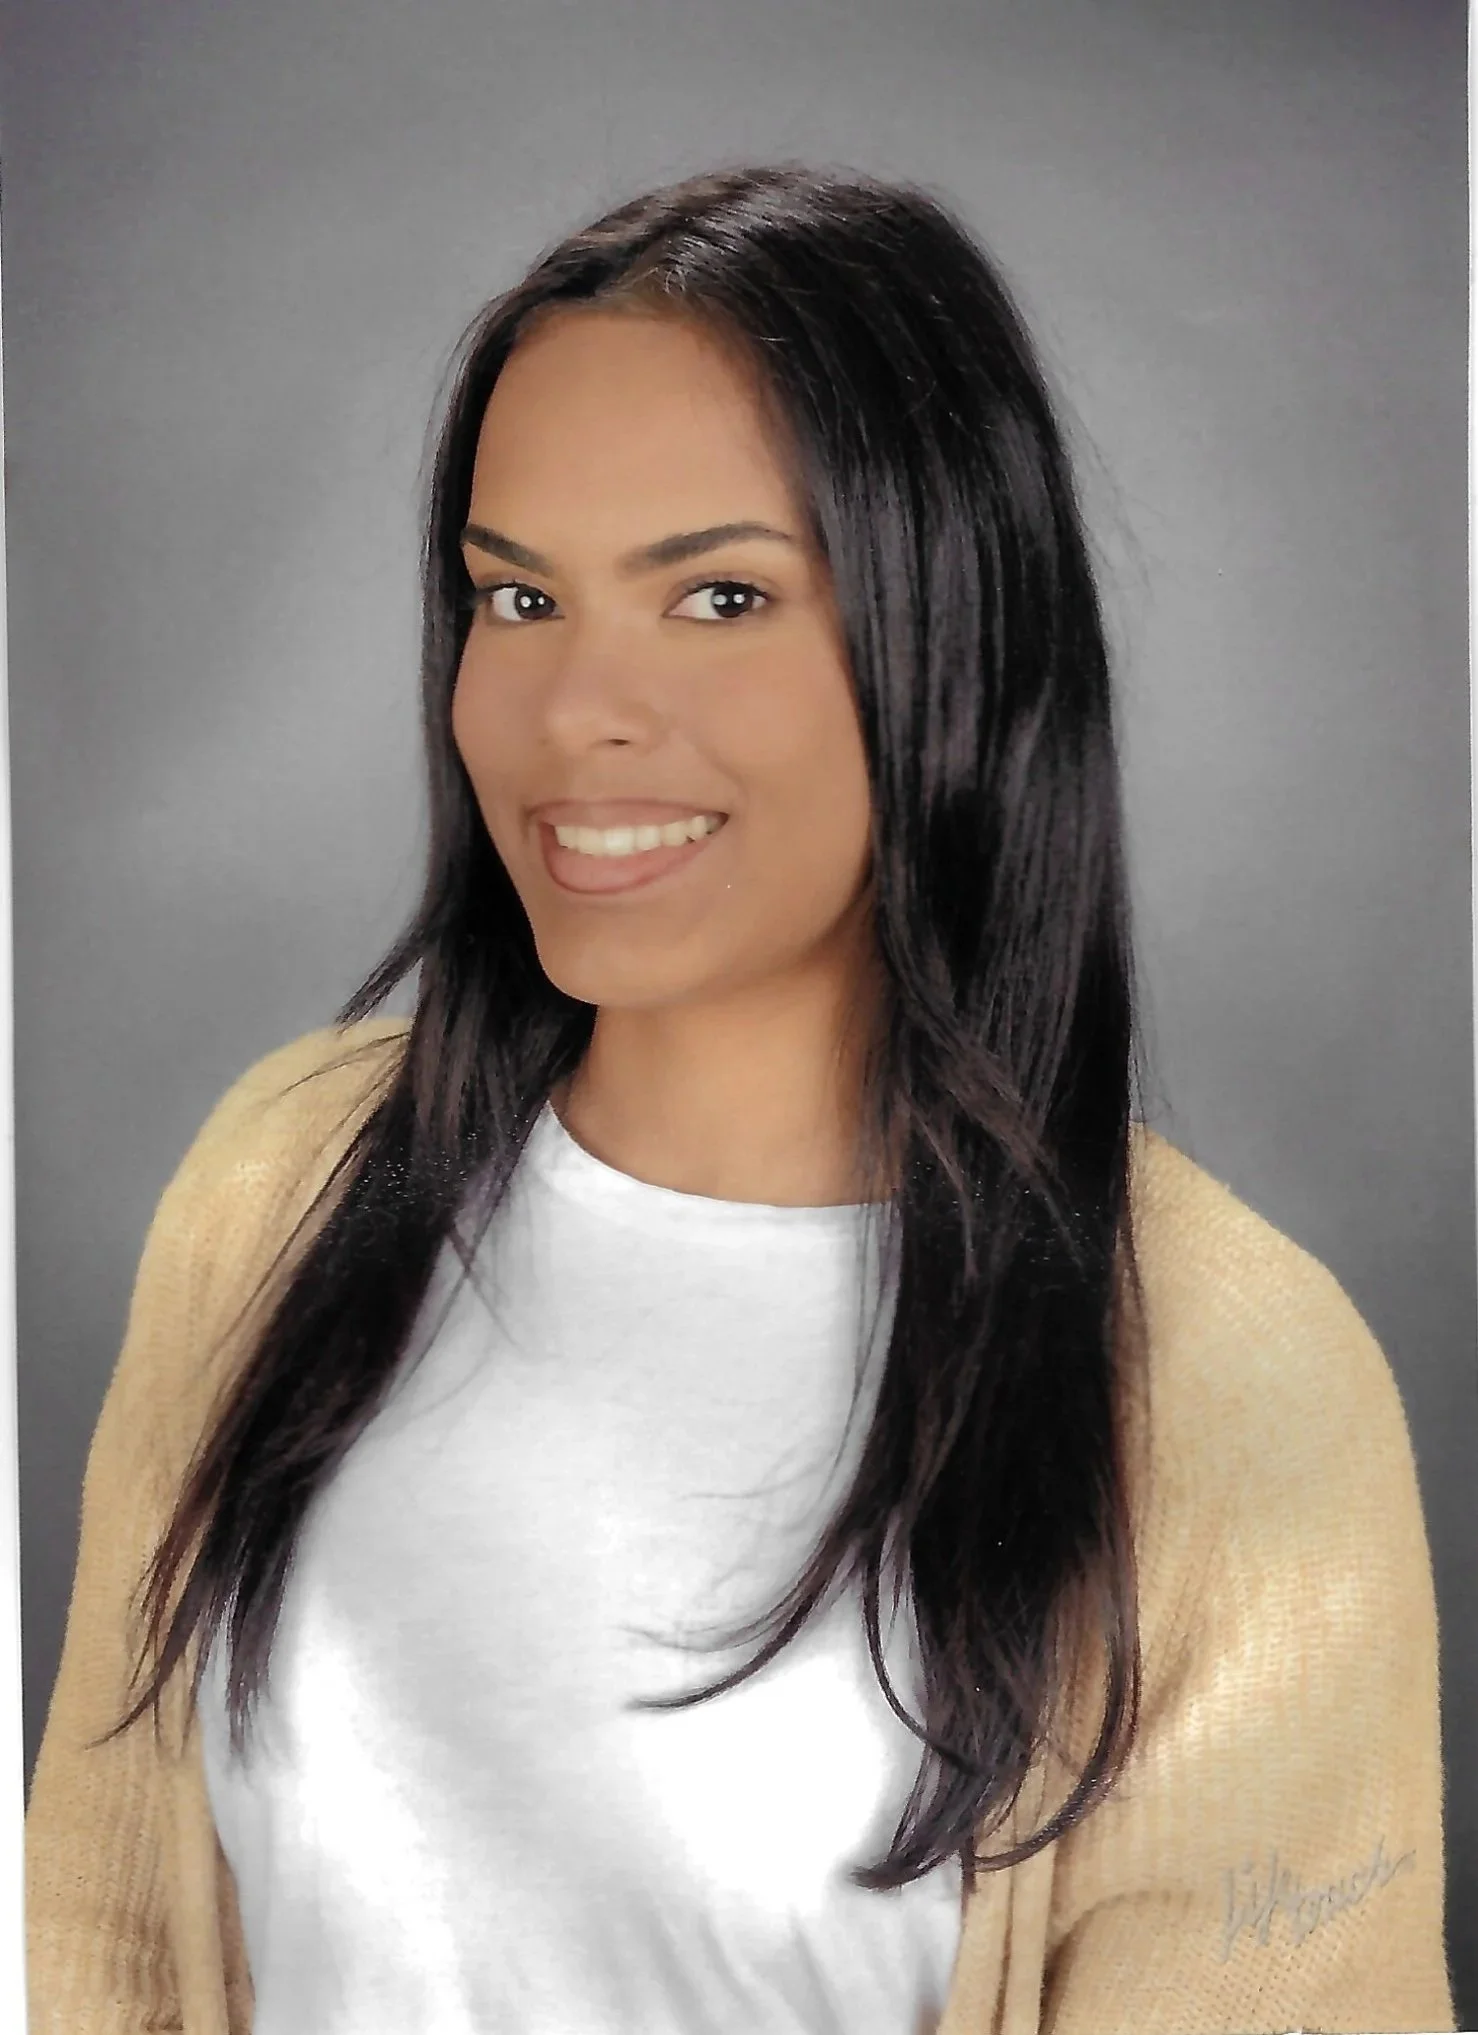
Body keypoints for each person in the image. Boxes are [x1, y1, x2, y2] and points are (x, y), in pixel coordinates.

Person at [24, 163, 1453, 2035]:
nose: (573, 711)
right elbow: (94, 1942)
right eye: (514, 596)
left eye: (717, 595)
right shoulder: (281, 1180)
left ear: (952, 638)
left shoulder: (1226, 1380)